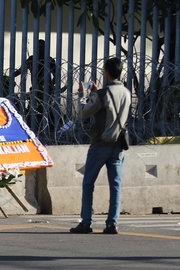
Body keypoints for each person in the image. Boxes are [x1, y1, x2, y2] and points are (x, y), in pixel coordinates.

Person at [70, 57, 131, 234]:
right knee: (116, 185)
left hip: (100, 144)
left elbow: (83, 113)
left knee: (88, 183)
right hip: (118, 145)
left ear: (107, 72)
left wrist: (83, 96)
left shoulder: (102, 94)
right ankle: (112, 223)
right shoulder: (126, 93)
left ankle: (86, 222)